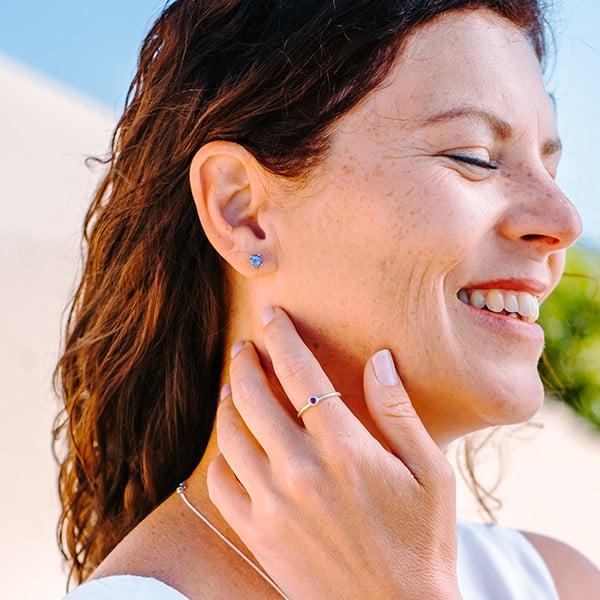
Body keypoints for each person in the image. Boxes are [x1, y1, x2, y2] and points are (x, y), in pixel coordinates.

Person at [54, 0, 600, 598]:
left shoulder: (559, 581)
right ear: (242, 211)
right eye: (472, 156)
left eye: (550, 168)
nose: (564, 220)